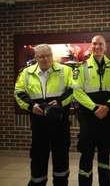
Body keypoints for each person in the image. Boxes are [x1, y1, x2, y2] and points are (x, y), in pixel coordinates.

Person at [14, 44, 73, 186]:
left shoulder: (66, 70)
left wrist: (59, 102)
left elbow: (73, 90)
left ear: (52, 56)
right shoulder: (26, 73)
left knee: (61, 159)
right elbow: (18, 92)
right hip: (39, 125)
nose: (45, 59)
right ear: (36, 58)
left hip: (60, 125)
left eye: (48, 55)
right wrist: (31, 105)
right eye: (41, 56)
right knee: (38, 158)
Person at [72, 35, 110, 186]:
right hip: (88, 119)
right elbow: (77, 91)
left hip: (106, 119)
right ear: (91, 46)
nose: (97, 47)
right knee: (86, 156)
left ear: (105, 46)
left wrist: (108, 106)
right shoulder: (81, 68)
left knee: (105, 157)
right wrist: (94, 107)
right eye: (94, 44)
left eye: (100, 44)